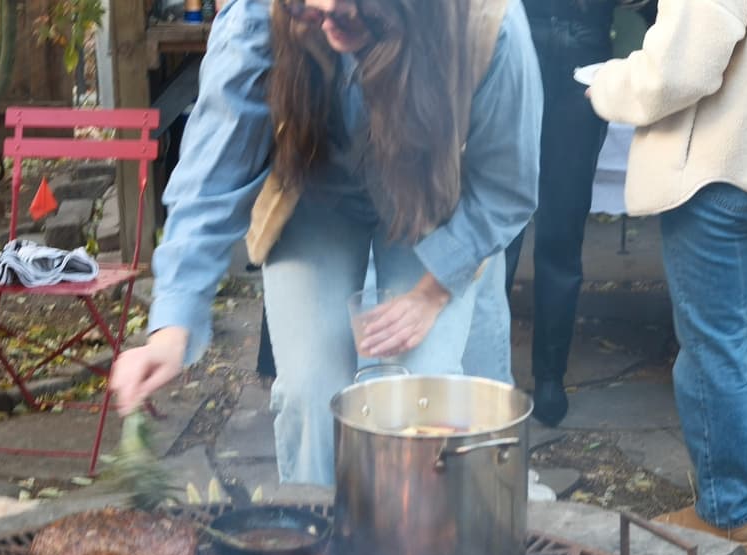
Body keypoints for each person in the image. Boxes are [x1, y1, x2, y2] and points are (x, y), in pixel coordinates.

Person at [111, 0, 542, 486]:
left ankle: (414, 551)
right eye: (312, 10)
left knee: (421, 389)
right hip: (315, 198)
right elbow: (213, 174)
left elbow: (506, 189)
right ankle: (316, 545)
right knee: (310, 391)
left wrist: (431, 293)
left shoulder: (486, 23)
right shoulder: (260, 15)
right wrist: (172, 326)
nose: (331, 20)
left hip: (427, 203)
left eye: (351, 8)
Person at [587, 0, 747, 552]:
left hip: (716, 170)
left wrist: (605, 85)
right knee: (745, 339)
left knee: (714, 346)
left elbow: (678, 70)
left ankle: (731, 513)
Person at [505, 0, 644, 427]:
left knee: (559, 233)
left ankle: (549, 375)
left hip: (580, 59)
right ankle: (491, 368)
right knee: (502, 228)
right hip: (518, 46)